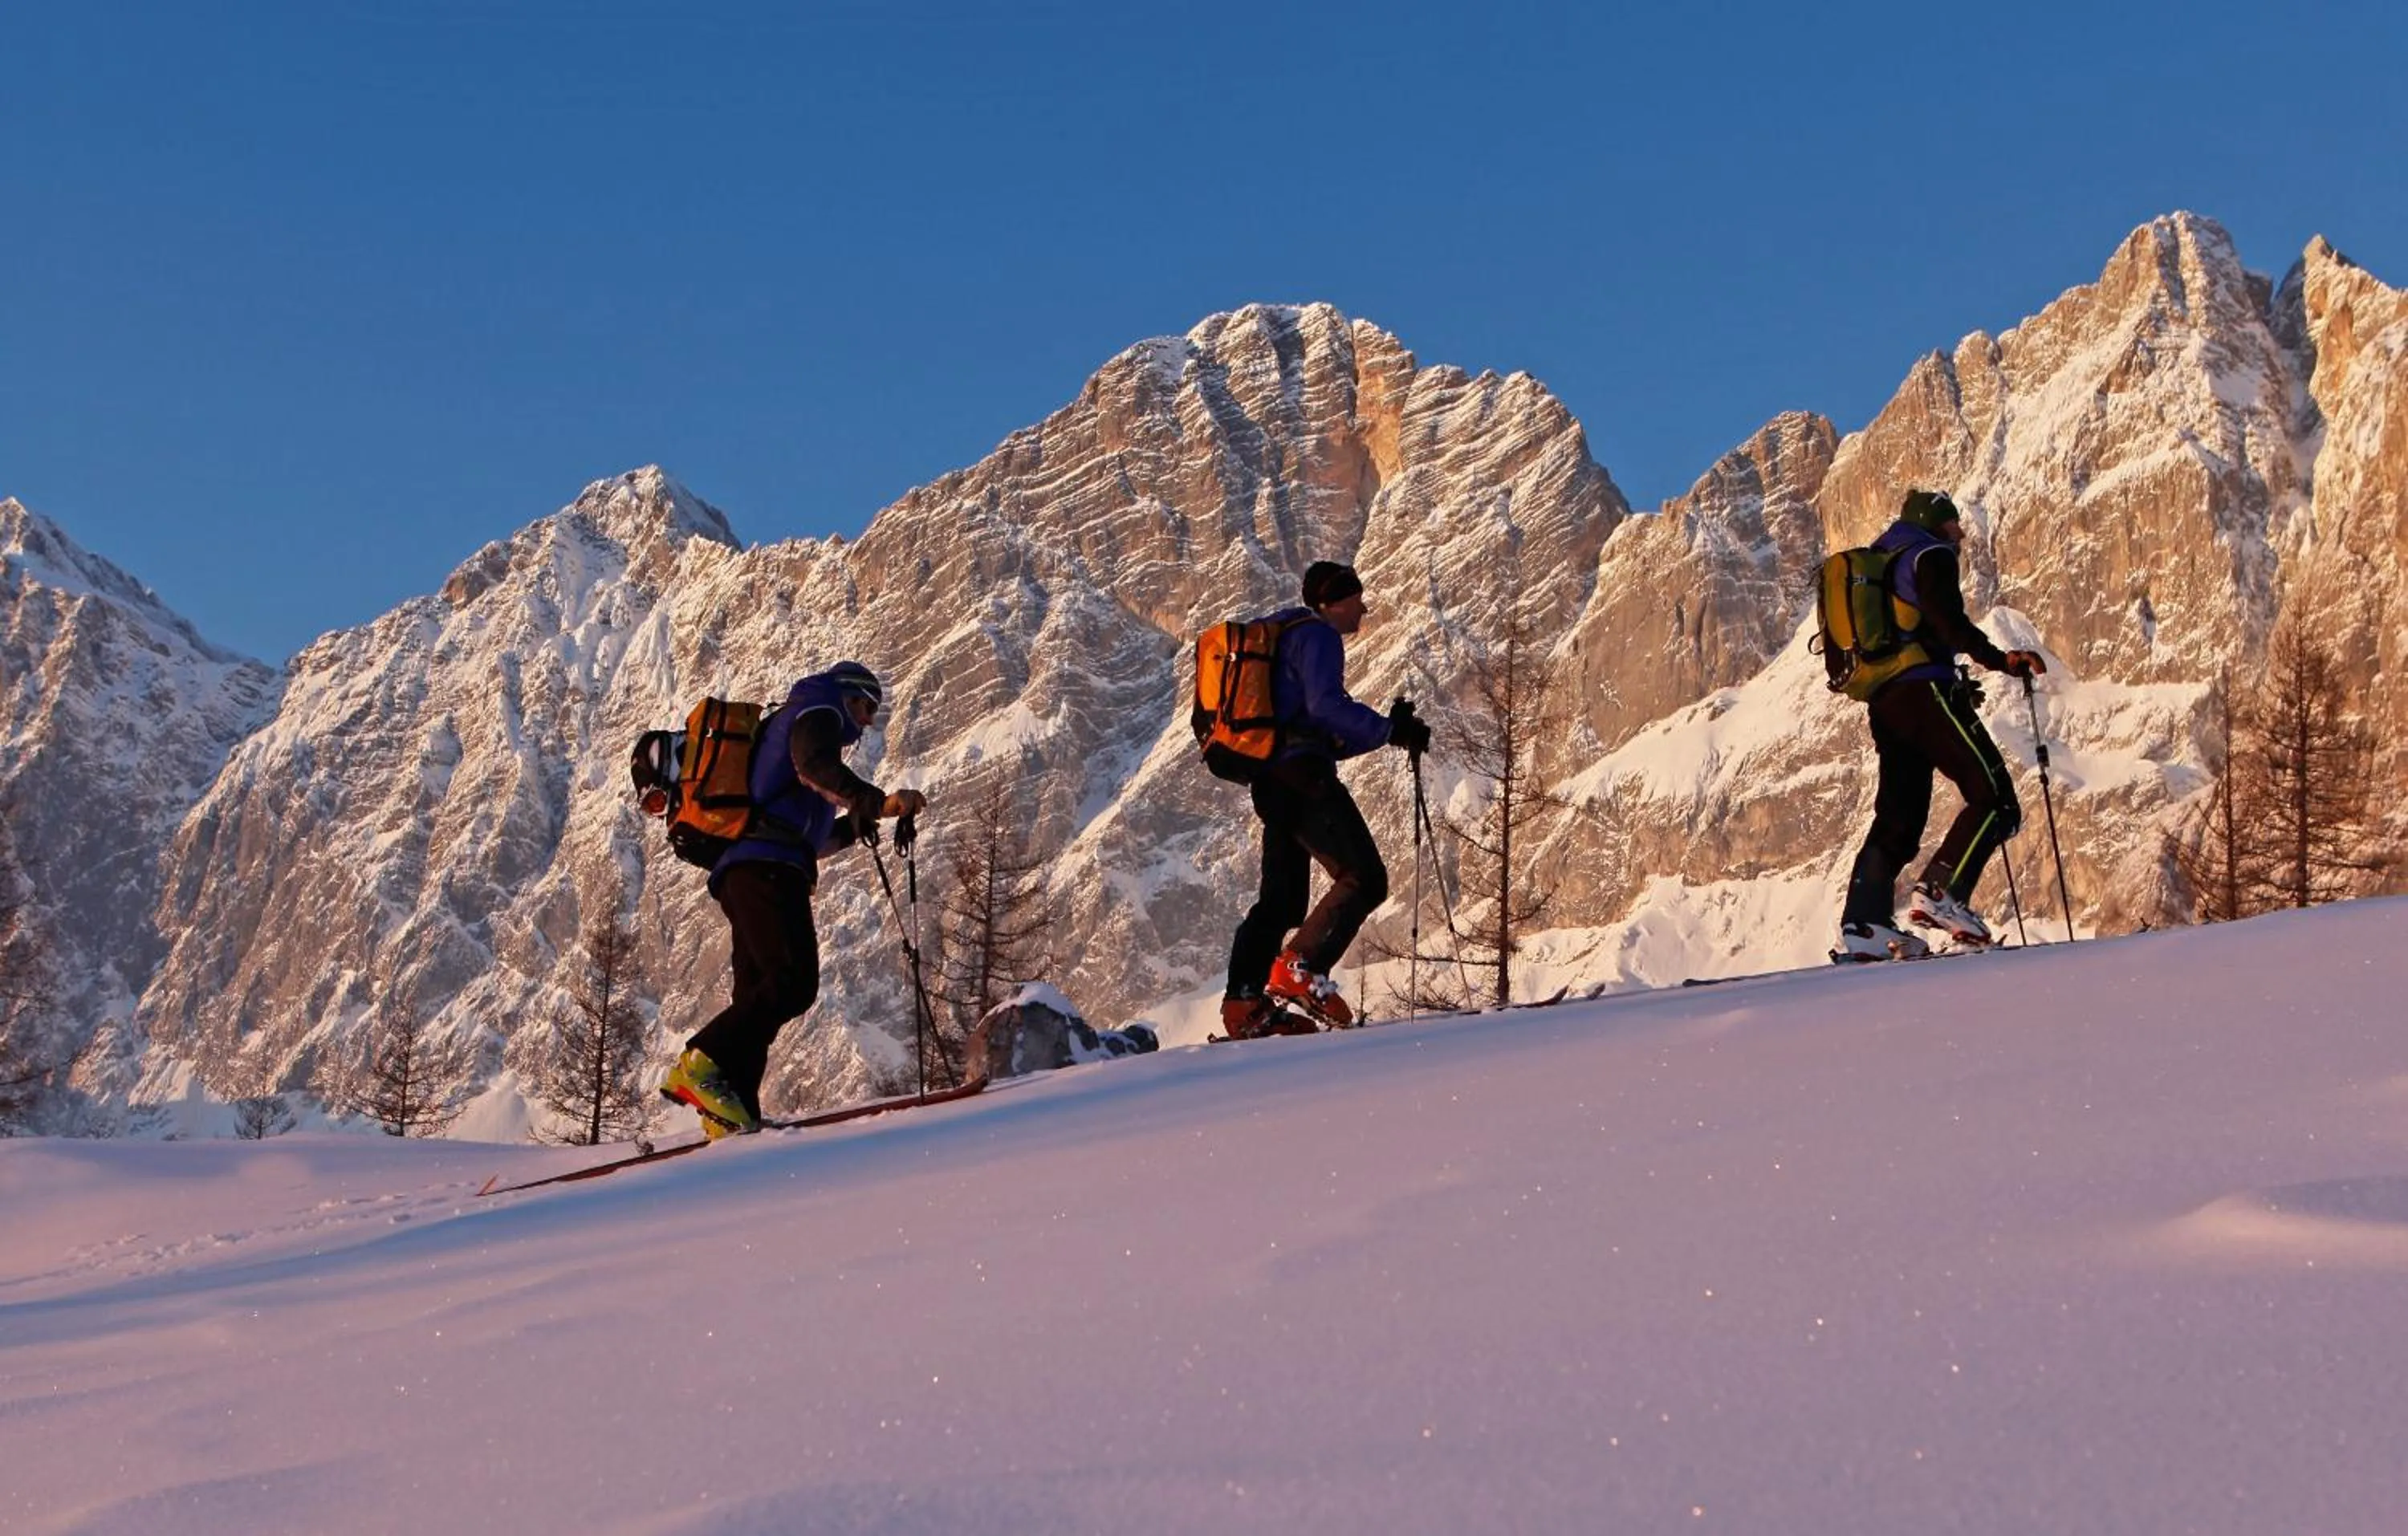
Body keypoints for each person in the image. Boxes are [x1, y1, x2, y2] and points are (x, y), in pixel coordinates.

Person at [661, 660, 925, 1134]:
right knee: (792, 982)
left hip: (751, 867)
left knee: (759, 990)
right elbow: (814, 766)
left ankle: (732, 1109)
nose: (867, 721)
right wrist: (869, 798)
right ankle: (700, 1062)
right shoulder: (816, 710)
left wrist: (865, 819)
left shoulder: (807, 741)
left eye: (874, 714)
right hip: (767, 869)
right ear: (847, 694)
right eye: (866, 706)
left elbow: (811, 840)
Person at [1220, 561, 1430, 1036]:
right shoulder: (1317, 636)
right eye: (1357, 599)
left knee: (1281, 902)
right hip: (1302, 778)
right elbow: (1326, 707)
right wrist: (1388, 728)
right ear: (1335, 600)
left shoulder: (1282, 635)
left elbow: (1322, 731)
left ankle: (1243, 1006)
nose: (1364, 608)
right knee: (1365, 877)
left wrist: (1386, 732)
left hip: (1271, 778)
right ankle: (1300, 967)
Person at [1837, 491, 2047, 961]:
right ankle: (1942, 892)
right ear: (1936, 523)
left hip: (1886, 701)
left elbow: (1918, 629)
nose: (1961, 535)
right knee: (1995, 798)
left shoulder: (1884, 559)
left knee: (1900, 818)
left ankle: (1864, 923)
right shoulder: (1929, 555)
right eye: (1955, 526)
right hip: (1926, 691)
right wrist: (2001, 659)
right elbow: (1949, 623)